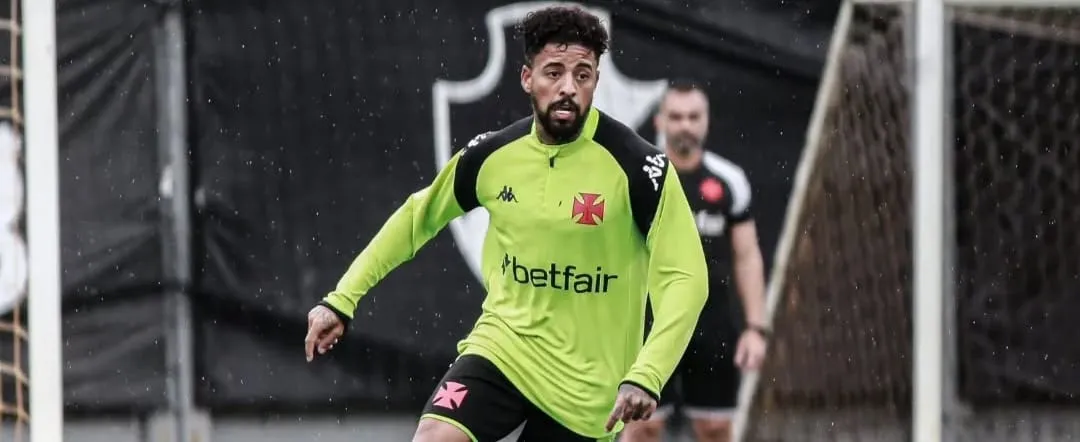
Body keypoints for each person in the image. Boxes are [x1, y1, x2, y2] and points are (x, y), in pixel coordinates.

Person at [302, 6, 709, 442]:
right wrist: (342, 299)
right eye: (554, 72)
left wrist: (648, 372)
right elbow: (417, 217)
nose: (569, 88)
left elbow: (687, 278)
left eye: (583, 74)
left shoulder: (639, 167)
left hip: (587, 390)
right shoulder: (493, 155)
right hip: (504, 350)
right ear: (526, 78)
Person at [620, 82, 769, 442]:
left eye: (693, 117)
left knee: (715, 428)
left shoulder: (728, 180)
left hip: (712, 325)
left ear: (706, 121)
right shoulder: (639, 177)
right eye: (676, 116)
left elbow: (747, 256)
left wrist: (756, 328)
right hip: (650, 324)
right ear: (660, 120)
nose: (684, 125)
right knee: (642, 426)